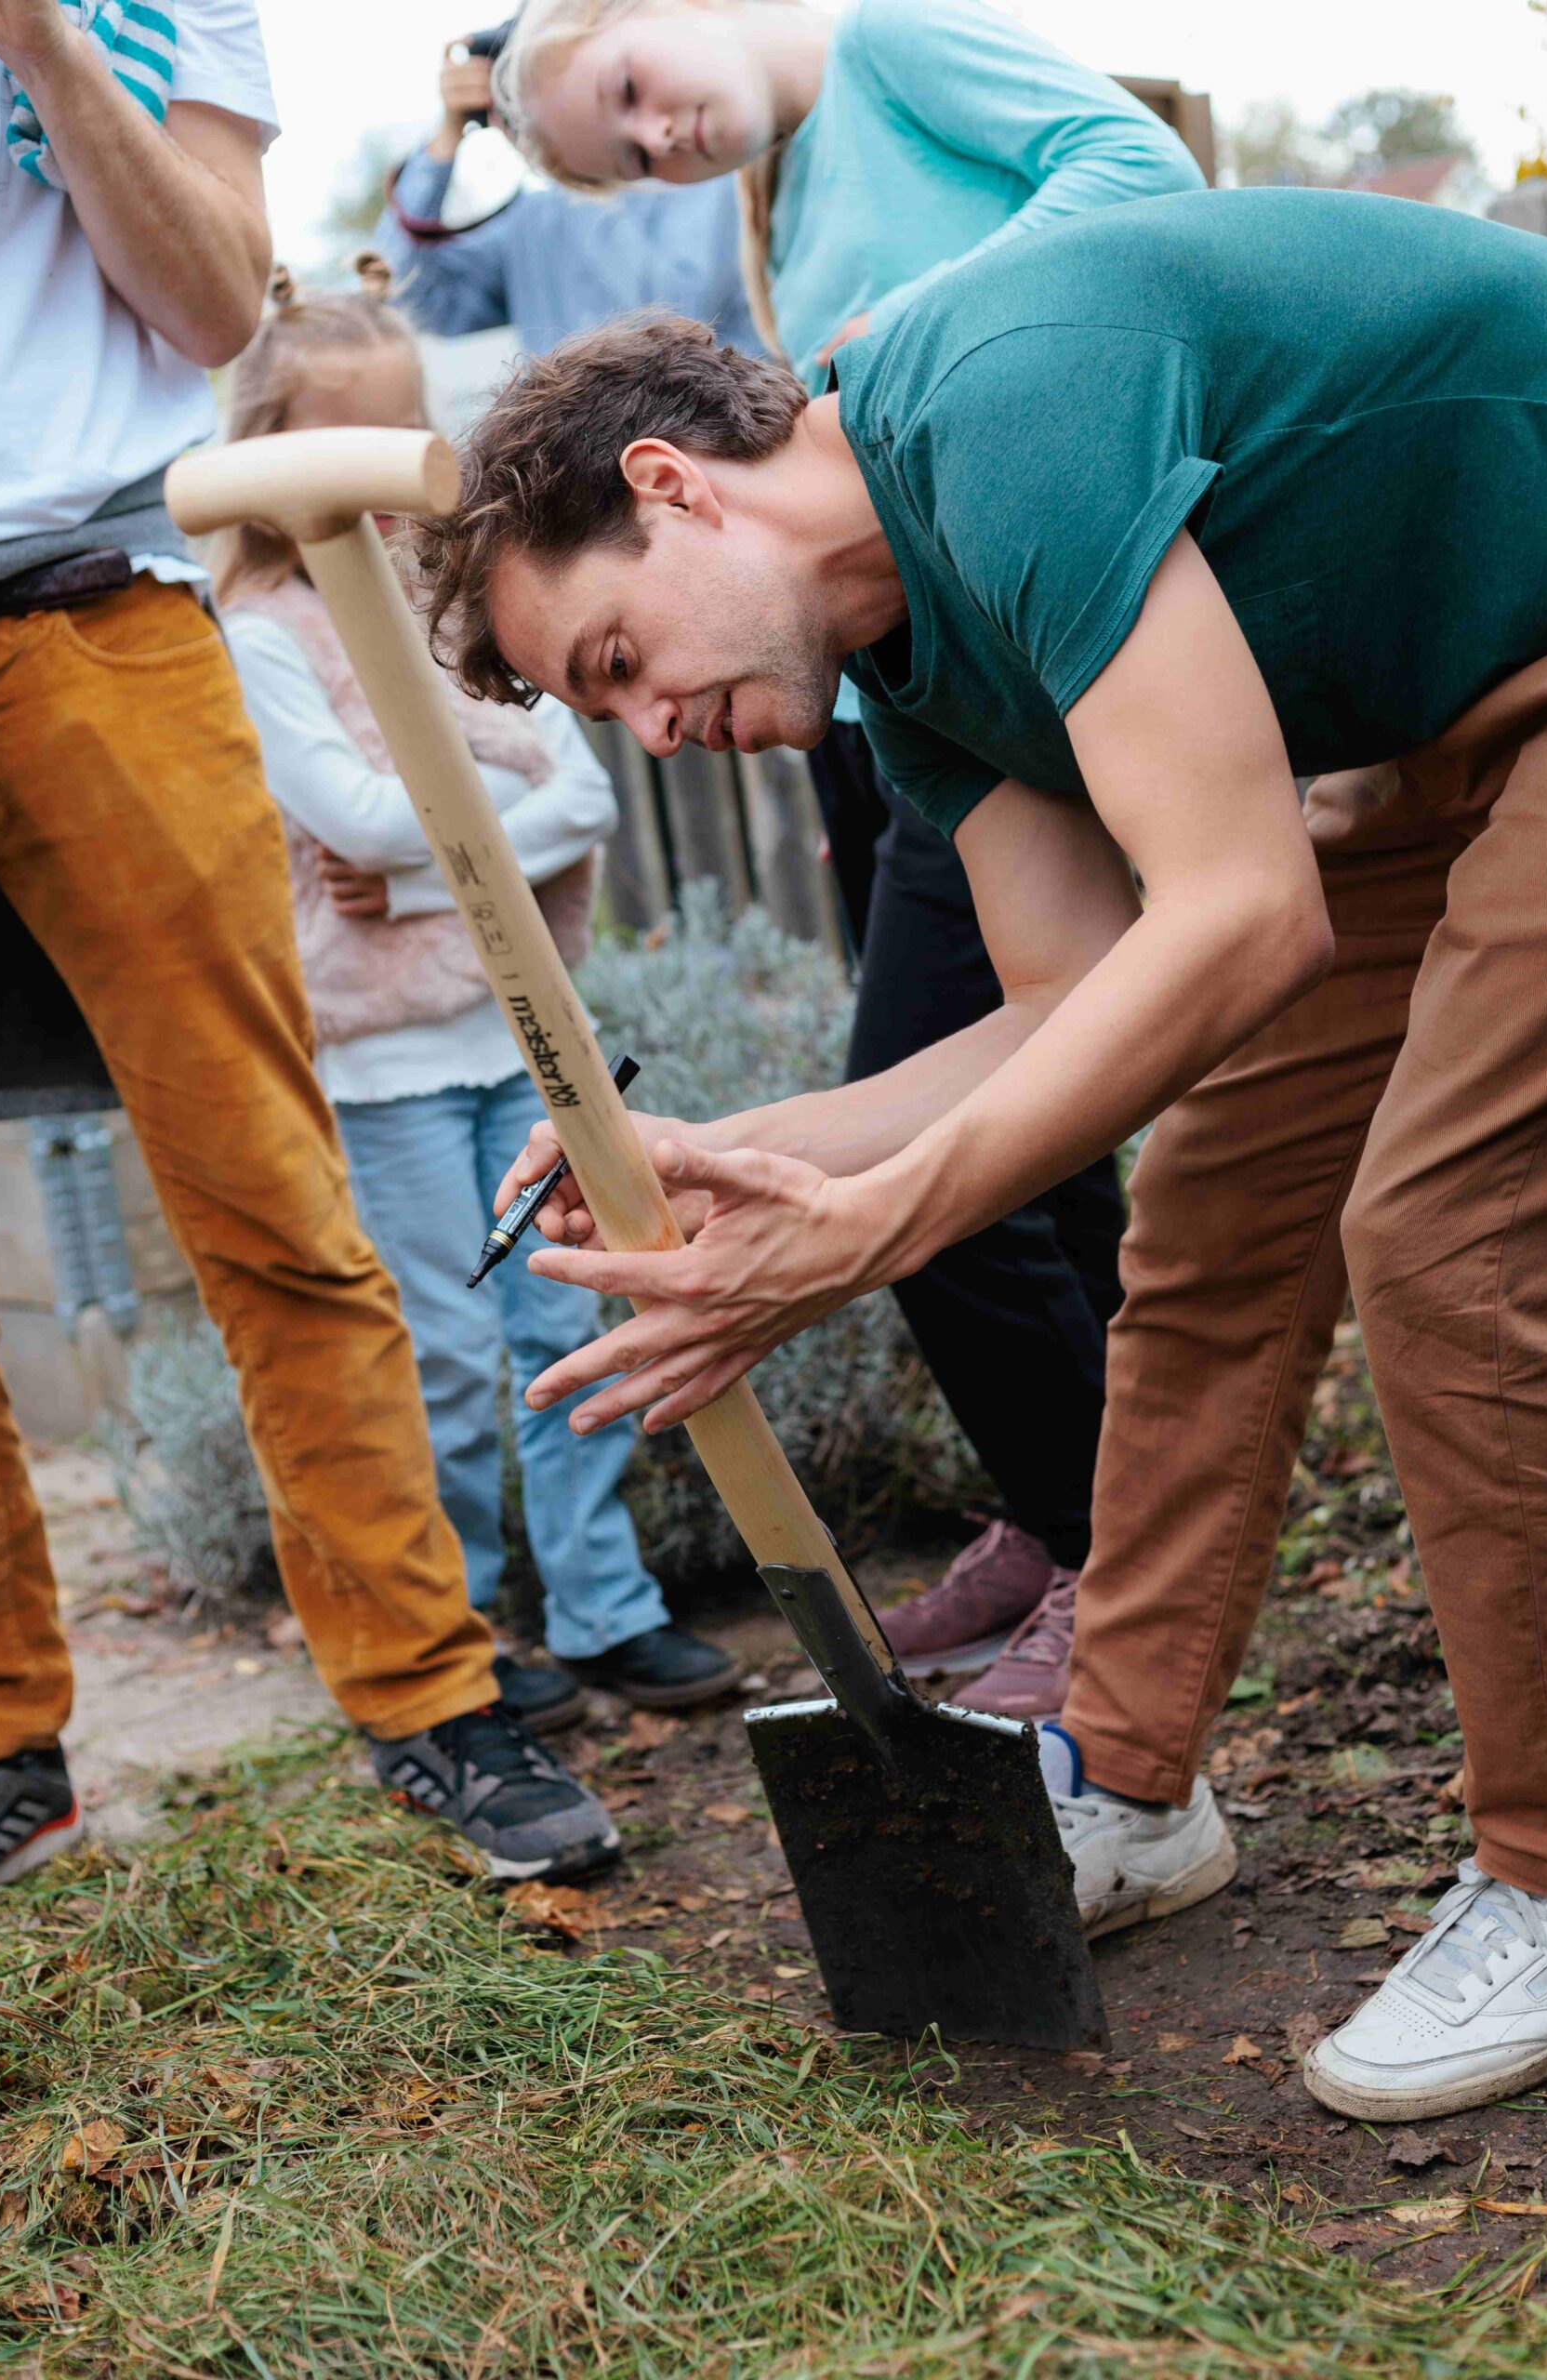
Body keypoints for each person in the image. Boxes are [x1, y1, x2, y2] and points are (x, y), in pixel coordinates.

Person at [416, 188, 1547, 2119]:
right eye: (601, 707)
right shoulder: (911, 662)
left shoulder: (1002, 404)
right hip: (1451, 726)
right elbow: (1078, 1010)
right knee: (1200, 1216)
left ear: (675, 484)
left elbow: (1243, 915)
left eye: (615, 655)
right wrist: (745, 1150)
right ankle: (1125, 1777)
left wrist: (863, 1231)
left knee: (1435, 1235)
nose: (648, 729)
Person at [488, 0, 1208, 1712]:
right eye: (626, 158)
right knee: (1050, 1127)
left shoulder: (892, 49)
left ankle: (1124, 1559)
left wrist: (921, 336)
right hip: (924, 705)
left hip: (1061, 627)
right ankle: (1097, 1527)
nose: (663, 140)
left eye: (633, 98)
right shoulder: (790, 204)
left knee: (979, 1132)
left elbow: (1139, 166)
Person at [0, 0, 616, 1891]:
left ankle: (427, 1692)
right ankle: (4, 1743)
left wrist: (40, 41)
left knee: (264, 1191)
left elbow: (207, 301)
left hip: (100, 602)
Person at [218, 264, 740, 1721]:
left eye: (399, 457)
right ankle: (459, 1632)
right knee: (442, 1354)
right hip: (385, 1068)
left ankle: (600, 1607)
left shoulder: (450, 619)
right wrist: (453, 824)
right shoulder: (266, 635)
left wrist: (434, 846)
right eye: (345, 461)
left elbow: (575, 795)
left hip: (518, 1040)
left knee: (567, 1323)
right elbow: (344, 814)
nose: (383, 511)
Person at [375, 28, 762, 356]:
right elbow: (410, 299)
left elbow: (667, 319)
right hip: (579, 446)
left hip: (718, 437)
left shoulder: (716, 173)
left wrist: (577, 159)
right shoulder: (532, 222)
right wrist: (445, 140)